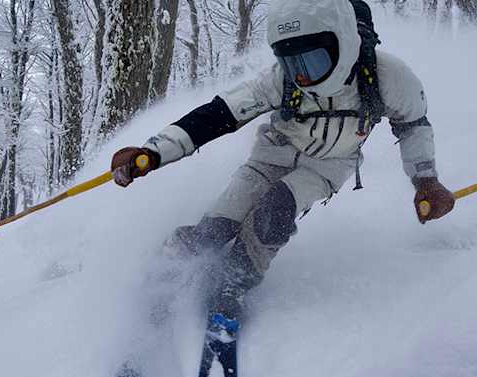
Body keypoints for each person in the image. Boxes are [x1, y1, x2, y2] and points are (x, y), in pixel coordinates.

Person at [110, 0, 455, 319]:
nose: (302, 77)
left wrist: (425, 180)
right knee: (218, 227)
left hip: (327, 166)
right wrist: (154, 152)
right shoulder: (282, 80)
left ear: (343, 43)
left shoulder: (388, 77)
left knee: (274, 211)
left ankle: (235, 281)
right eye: (291, 63)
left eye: (312, 61)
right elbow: (219, 115)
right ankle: (169, 267)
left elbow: (413, 126)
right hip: (271, 156)